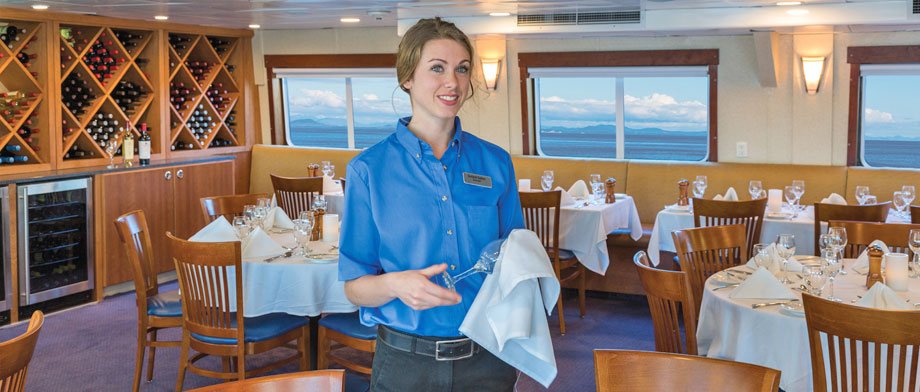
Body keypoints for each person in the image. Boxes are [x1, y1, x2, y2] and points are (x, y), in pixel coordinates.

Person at [338, 17, 524, 392]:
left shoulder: (496, 163)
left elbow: (518, 259)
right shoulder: (368, 170)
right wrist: (395, 284)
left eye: (462, 69)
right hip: (406, 364)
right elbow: (355, 286)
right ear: (407, 77)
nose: (452, 82)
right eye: (437, 68)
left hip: (488, 358)